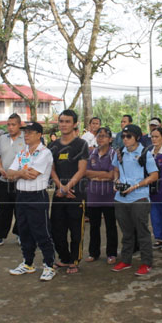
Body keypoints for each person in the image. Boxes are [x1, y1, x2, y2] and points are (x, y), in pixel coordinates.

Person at [6, 122, 57, 281]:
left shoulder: (45, 152)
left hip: (36, 196)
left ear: (39, 134)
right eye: (25, 132)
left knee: (41, 230)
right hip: (21, 195)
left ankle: (49, 265)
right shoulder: (22, 152)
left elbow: (33, 174)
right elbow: (9, 173)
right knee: (24, 230)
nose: (25, 135)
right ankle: (28, 263)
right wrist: (21, 172)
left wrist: (18, 173)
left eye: (29, 132)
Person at [111, 124, 158, 275]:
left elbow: (154, 175)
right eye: (123, 136)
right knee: (126, 232)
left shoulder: (145, 153)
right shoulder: (119, 153)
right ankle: (126, 260)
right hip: (121, 198)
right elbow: (116, 170)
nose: (125, 139)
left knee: (142, 232)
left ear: (137, 137)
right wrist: (116, 181)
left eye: (129, 136)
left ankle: (146, 263)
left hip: (139, 197)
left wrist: (136, 186)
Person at [49, 109, 89, 274]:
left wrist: (68, 187)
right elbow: (51, 168)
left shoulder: (81, 144)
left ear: (74, 124)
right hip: (59, 193)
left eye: (67, 121)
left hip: (76, 193)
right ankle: (64, 258)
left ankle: (74, 260)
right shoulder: (53, 145)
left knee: (76, 229)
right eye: (61, 121)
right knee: (57, 229)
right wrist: (60, 187)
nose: (63, 124)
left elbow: (82, 170)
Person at [0, 114, 25, 248]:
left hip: (20, 180)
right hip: (3, 179)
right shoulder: (2, 139)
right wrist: (1, 168)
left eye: (13, 124)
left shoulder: (26, 138)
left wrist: (18, 173)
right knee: (3, 209)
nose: (10, 127)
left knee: (20, 208)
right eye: (8, 124)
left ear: (19, 125)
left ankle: (21, 234)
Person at [85, 127, 118, 264]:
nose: (101, 138)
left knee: (110, 226)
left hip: (109, 196)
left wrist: (96, 176)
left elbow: (112, 175)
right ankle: (94, 253)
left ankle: (111, 253)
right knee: (94, 226)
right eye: (99, 136)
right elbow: (86, 172)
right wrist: (102, 175)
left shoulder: (113, 154)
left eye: (104, 136)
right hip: (93, 196)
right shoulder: (92, 154)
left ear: (110, 139)